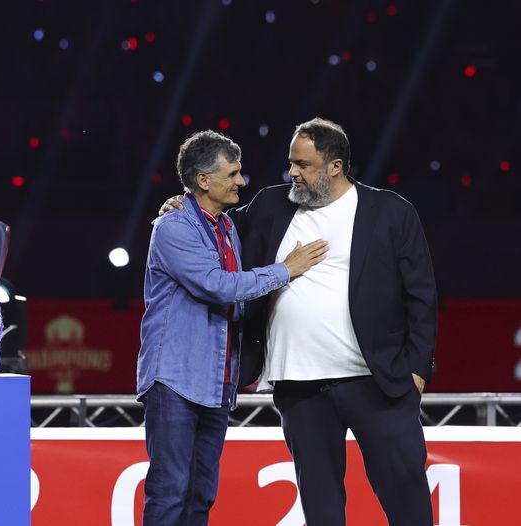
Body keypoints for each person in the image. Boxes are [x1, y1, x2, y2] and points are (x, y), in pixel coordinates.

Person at [163, 118, 436, 524]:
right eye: (291, 163)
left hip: (377, 381)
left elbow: (422, 295)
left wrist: (416, 369)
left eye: (303, 165)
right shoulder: (271, 207)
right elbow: (211, 227)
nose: (293, 173)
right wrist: (181, 204)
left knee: (406, 500)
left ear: (335, 166)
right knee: (321, 509)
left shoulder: (390, 212)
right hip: (300, 388)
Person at [138, 130, 328, 525]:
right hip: (175, 380)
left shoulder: (224, 226)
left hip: (215, 384)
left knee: (201, 494)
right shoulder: (173, 228)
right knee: (170, 492)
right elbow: (218, 286)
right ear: (204, 180)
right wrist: (286, 270)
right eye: (233, 173)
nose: (242, 181)